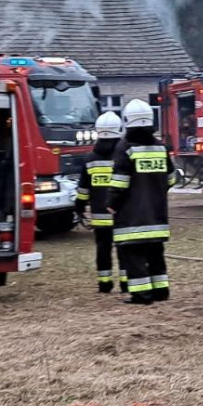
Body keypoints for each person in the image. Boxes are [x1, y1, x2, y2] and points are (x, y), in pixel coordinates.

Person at [107, 99, 176, 305]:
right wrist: (156, 190)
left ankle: (142, 294)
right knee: (156, 254)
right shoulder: (160, 148)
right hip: (157, 214)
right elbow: (171, 179)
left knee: (134, 255)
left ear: (127, 122)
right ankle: (161, 291)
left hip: (132, 218)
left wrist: (112, 203)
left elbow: (120, 182)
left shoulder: (125, 147)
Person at [75, 111, 127, 293]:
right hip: (121, 215)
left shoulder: (89, 159)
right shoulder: (124, 156)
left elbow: (83, 190)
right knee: (123, 250)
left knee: (103, 250)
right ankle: (125, 283)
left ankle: (104, 283)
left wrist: (79, 208)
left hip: (99, 216)